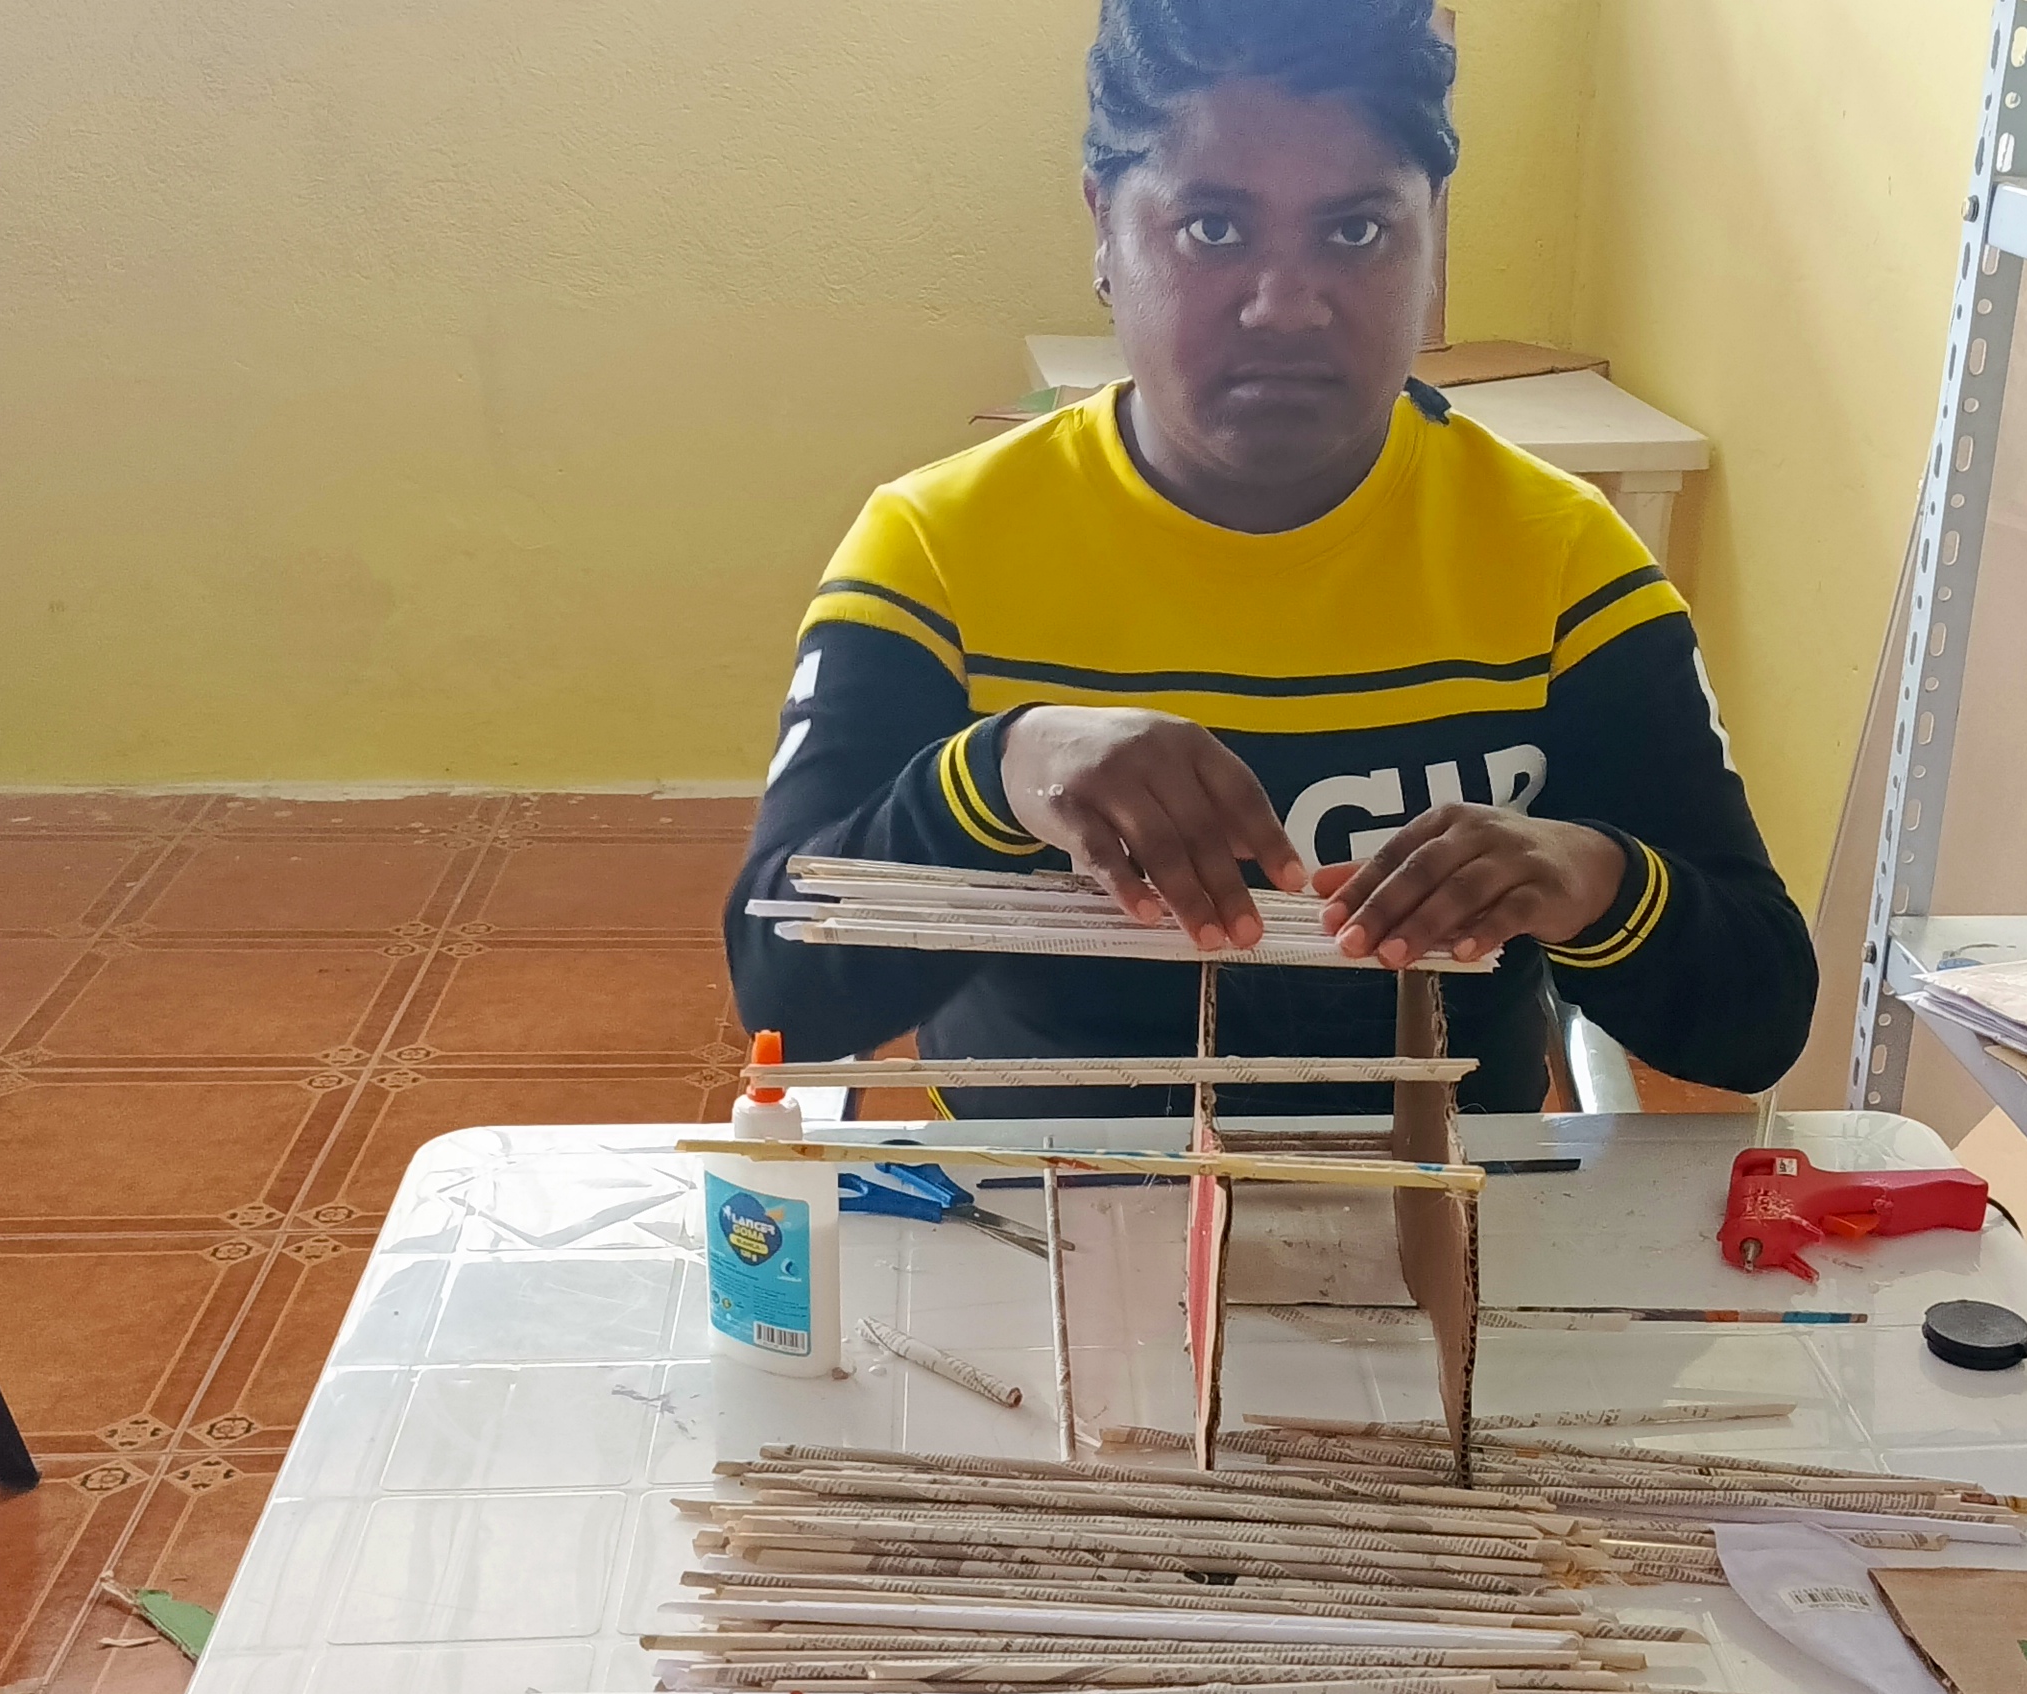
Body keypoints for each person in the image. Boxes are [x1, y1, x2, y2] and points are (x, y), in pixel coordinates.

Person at [728, 0, 1812, 1117]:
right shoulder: (939, 549)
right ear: (1104, 227)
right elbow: (785, 998)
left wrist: (1593, 880)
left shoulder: (1562, 558)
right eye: (1212, 228)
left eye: (1356, 232)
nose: (1285, 308)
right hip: (1034, 1193)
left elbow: (1760, 1025)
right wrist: (995, 775)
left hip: (1449, 1201)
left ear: (1431, 235)